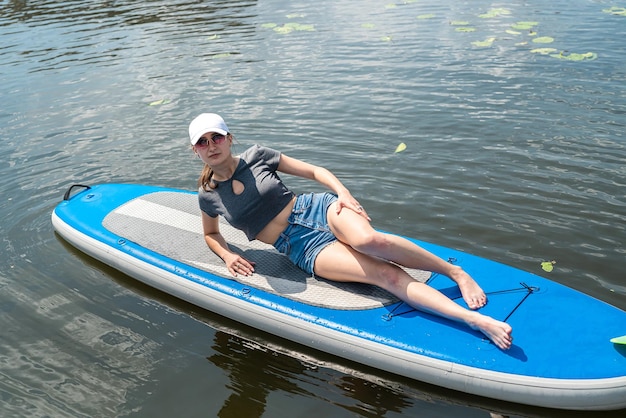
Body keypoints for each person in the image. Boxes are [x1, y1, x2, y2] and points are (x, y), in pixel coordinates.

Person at [189, 113, 513, 350]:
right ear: (196, 151)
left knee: (369, 240)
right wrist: (228, 255)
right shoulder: (209, 195)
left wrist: (342, 193)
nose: (211, 145)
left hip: (316, 209)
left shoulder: (257, 155)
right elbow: (211, 235)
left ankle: (453, 271)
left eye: (216, 137)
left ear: (230, 138)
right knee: (385, 277)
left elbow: (316, 171)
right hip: (300, 247)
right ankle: (475, 320)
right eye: (203, 142)